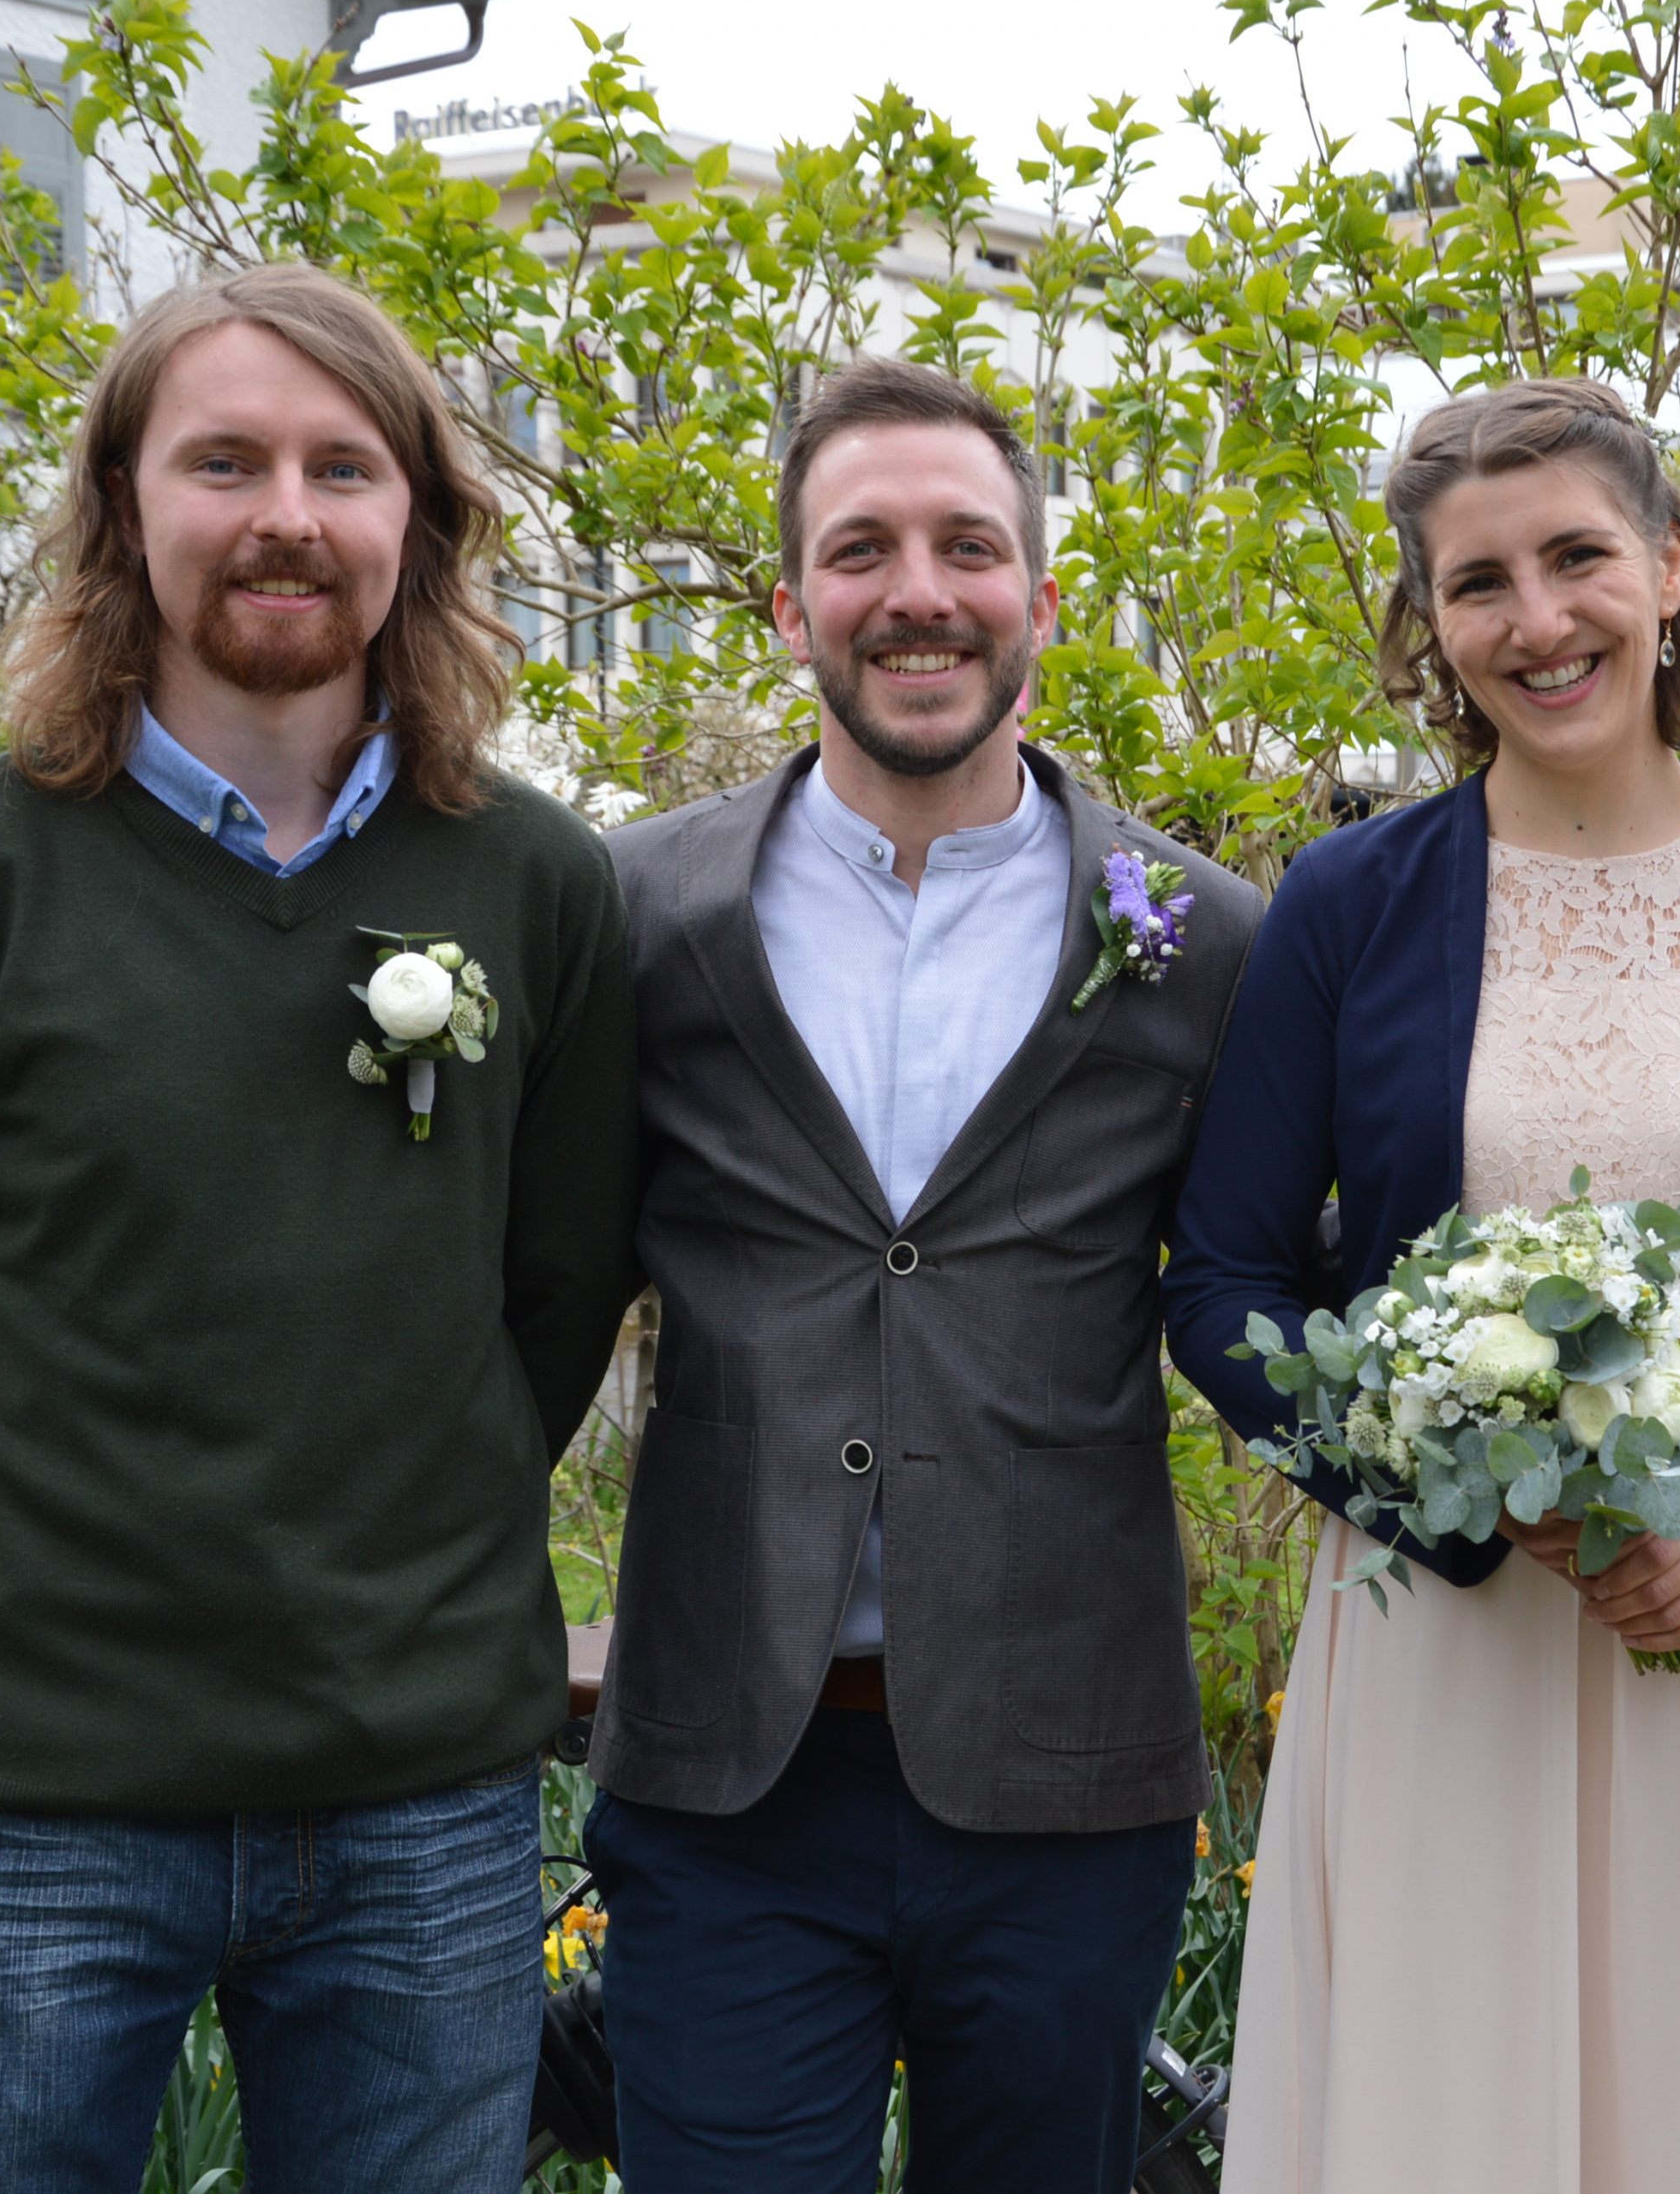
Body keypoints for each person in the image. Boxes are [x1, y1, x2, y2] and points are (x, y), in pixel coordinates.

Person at [0, 261, 641, 2192]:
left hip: (420, 1801)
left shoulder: (536, 884)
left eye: (343, 467)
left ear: (417, 518)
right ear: (124, 500)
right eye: (224, 461)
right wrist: (9, 1591)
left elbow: (562, 1292)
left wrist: (401, 1547)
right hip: (34, 1805)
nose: (285, 516)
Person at [1162, 376, 1680, 2191]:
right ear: (1428, 626)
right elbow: (1221, 1280)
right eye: (1478, 582)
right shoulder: (1350, 902)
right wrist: (1431, 1481)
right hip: (1449, 1644)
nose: (1538, 621)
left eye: (1578, 557)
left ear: (1670, 569)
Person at [588, 357, 1264, 2193]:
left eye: (967, 546)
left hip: (1067, 1773)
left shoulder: (1205, 938)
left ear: (1039, 597)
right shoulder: (636, 913)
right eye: (861, 549)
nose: (918, 593)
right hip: (730, 1773)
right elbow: (533, 1289)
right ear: (788, 603)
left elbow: (1257, 1289)